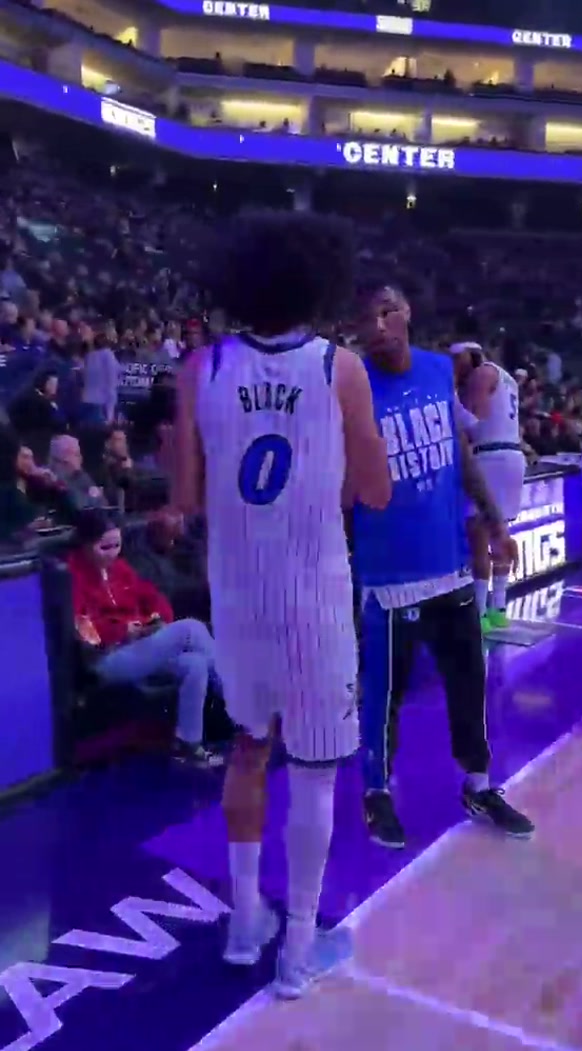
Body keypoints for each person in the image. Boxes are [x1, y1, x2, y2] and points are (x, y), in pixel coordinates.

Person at [172, 209, 390, 998]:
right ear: (317, 283)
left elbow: (186, 496)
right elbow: (375, 490)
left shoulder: (201, 368)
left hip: (238, 597)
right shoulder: (340, 366)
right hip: (314, 600)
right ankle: (298, 947)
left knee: (248, 749)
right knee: (318, 773)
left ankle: (244, 921)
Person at [352, 284, 534, 849]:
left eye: (388, 312)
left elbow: (461, 453)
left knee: (468, 682)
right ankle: (377, 792)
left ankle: (479, 785)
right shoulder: (351, 385)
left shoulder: (436, 371)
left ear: (408, 313)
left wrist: (495, 521)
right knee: (385, 694)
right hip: (389, 575)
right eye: (367, 319)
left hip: (449, 562)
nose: (379, 326)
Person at [68, 510, 223, 767]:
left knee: (195, 664)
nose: (112, 553)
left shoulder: (119, 569)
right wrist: (124, 630)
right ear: (85, 545)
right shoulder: (72, 577)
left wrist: (154, 619)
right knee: (191, 629)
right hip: (105, 658)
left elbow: (152, 597)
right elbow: (84, 630)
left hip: (137, 647)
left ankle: (188, 744)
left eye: (117, 546)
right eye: (104, 547)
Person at [453, 342, 526, 634]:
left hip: (489, 456)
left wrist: (450, 405)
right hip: (513, 456)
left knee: (479, 537)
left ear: (468, 356)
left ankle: (480, 614)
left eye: (456, 359)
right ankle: (499, 609)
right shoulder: (506, 378)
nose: (453, 365)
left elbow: (475, 422)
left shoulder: (480, 374)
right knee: (500, 533)